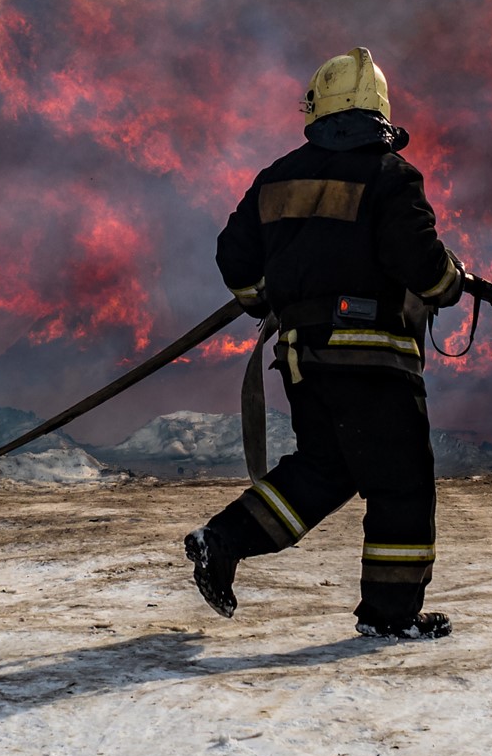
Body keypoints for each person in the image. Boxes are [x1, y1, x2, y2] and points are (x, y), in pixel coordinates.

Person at [185, 47, 465, 640]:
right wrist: (451, 282)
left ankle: (223, 540)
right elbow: (423, 267)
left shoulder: (279, 176)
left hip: (304, 359)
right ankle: (391, 617)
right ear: (380, 115)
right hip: (371, 361)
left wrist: (270, 302)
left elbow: (233, 257)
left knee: (328, 468)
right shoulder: (392, 175)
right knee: (402, 482)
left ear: (317, 109)